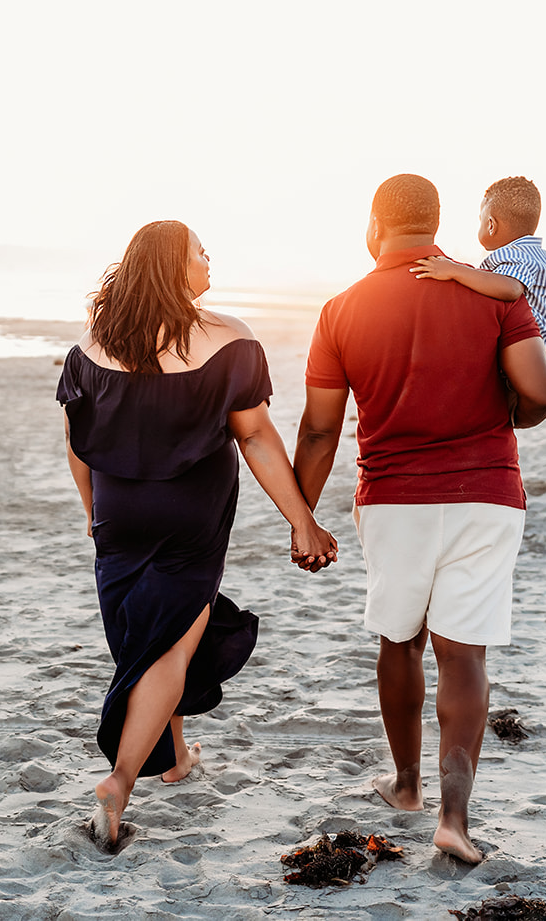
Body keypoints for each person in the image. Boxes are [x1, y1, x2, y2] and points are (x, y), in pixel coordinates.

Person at [293, 175, 546, 864]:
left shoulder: (341, 308)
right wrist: (506, 420)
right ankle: (454, 816)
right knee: (464, 652)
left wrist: (302, 514)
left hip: (392, 499)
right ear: (438, 224)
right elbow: (541, 392)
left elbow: (321, 431)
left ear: (374, 228)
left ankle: (406, 784)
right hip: (487, 495)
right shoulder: (486, 292)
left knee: (399, 638)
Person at [57, 220, 338, 852]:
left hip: (119, 513)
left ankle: (176, 757)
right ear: (172, 268)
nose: (209, 259)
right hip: (190, 516)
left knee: (151, 633)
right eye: (199, 252)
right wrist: (303, 522)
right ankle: (120, 782)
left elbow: (77, 445)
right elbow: (258, 436)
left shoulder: (93, 345)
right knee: (170, 647)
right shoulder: (226, 338)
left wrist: (94, 516)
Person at [408, 176, 546, 371]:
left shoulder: (516, 254)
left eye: (480, 220)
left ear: (491, 225)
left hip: (531, 359)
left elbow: (511, 288)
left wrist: (454, 270)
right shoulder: (538, 255)